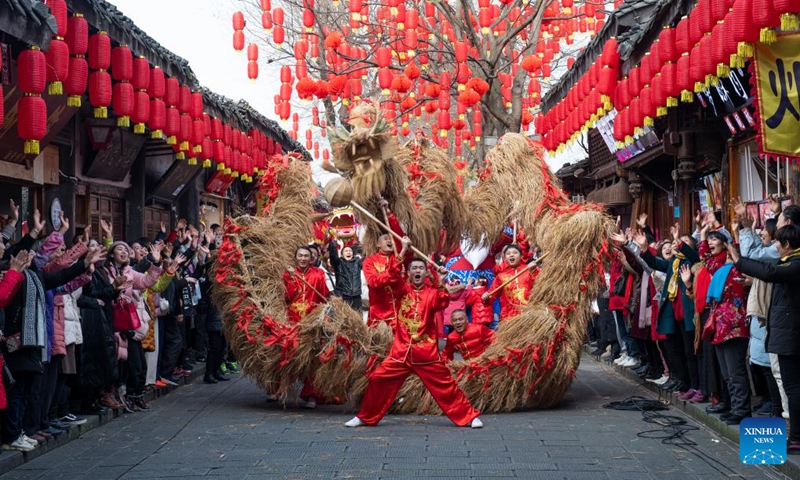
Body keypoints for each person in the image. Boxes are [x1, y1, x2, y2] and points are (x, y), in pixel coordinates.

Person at [345, 255, 483, 429]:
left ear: (426, 272)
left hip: (426, 353)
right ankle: (365, 417)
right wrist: (401, 253)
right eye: (414, 268)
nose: (417, 271)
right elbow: (393, 278)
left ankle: (469, 416)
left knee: (446, 385)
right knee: (378, 379)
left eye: (421, 268)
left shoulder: (432, 293)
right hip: (400, 352)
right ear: (408, 273)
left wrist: (440, 281)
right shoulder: (401, 291)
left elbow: (442, 302)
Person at [731, 224, 800, 453]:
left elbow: (770, 272)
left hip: (791, 335)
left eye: (777, 242)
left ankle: (796, 436)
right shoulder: (790, 262)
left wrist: (739, 260)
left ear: (787, 244)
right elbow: (768, 268)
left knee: (793, 387)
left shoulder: (795, 263)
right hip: (787, 333)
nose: (774, 247)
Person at [362, 233, 407, 328]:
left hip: (399, 313)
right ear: (378, 244)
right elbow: (374, 282)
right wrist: (394, 271)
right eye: (386, 239)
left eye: (391, 239)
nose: (390, 241)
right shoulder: (369, 261)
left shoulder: (396, 258)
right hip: (379, 314)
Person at [481, 245, 537, 321]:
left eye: (515, 252)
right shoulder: (501, 276)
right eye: (508, 253)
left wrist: (534, 271)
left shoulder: (530, 269)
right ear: (505, 258)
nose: (511, 255)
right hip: (509, 318)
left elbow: (542, 285)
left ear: (521, 256)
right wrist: (486, 297)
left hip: (531, 315)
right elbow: (491, 296)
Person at [283, 246, 330, 324]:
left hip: (312, 319)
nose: (303, 259)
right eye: (300, 255)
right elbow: (287, 298)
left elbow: (324, 298)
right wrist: (292, 278)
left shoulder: (317, 276)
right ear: (295, 257)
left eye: (306, 256)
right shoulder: (287, 275)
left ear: (310, 258)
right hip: (292, 319)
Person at [328, 243, 363, 311]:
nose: (348, 252)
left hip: (356, 296)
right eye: (346, 251)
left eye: (350, 251)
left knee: (357, 318)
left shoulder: (358, 262)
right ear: (342, 255)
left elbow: (367, 259)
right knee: (343, 318)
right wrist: (333, 243)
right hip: (343, 295)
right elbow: (332, 255)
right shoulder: (338, 263)